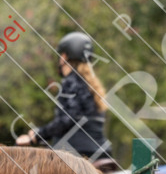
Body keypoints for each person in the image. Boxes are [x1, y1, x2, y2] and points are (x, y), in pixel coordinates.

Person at [15, 31, 114, 163]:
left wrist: (37, 136)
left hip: (77, 152)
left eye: (60, 55)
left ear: (65, 56)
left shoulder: (71, 82)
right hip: (103, 152)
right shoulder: (92, 85)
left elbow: (67, 120)